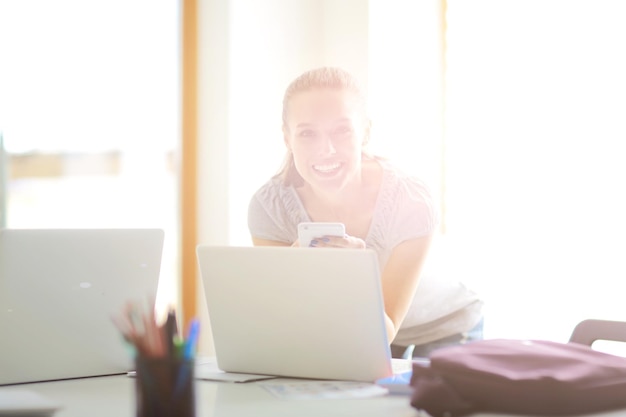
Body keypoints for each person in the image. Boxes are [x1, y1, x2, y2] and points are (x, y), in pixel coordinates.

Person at [247, 66, 483, 358]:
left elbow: (384, 330)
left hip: (441, 323)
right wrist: (297, 277)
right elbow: (291, 323)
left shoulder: (410, 200)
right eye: (307, 133)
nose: (326, 149)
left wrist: (354, 275)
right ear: (287, 138)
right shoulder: (270, 209)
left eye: (342, 130)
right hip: (356, 327)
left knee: (426, 401)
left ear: (365, 132)